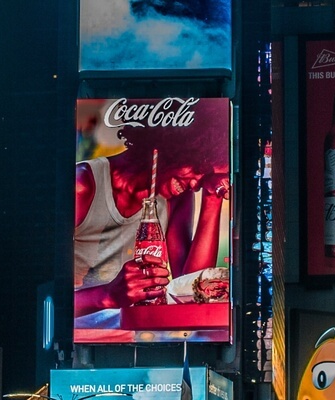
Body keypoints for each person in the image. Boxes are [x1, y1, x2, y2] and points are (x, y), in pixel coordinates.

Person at [74, 99, 230, 319]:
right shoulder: (82, 185)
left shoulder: (176, 196)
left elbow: (188, 288)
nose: (196, 184)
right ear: (172, 147)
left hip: (138, 333)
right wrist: (107, 295)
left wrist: (212, 197)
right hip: (79, 340)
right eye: (198, 169)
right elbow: (42, 295)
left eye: (206, 176)